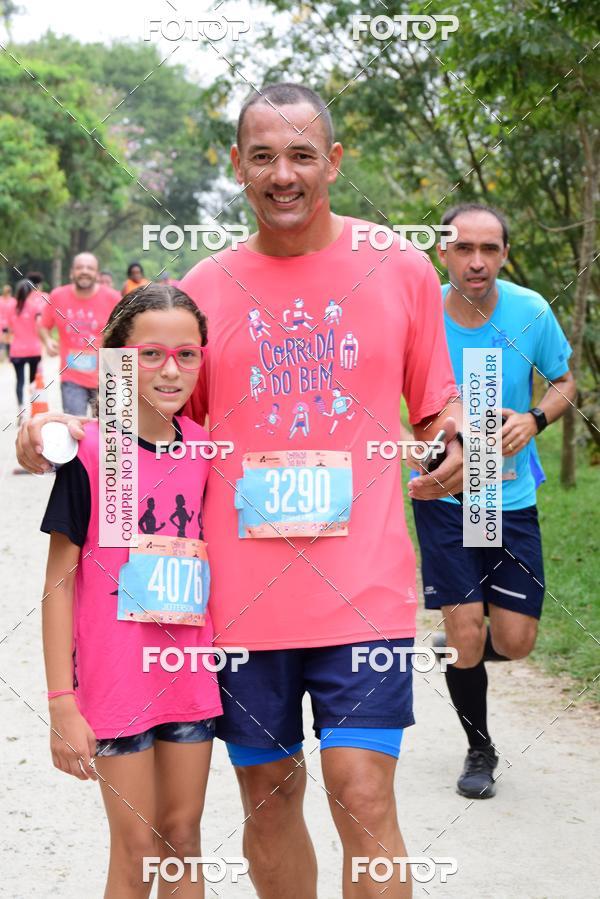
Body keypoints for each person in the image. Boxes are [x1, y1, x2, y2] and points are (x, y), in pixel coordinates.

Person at [19, 83, 463, 898]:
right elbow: (135, 420)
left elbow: (439, 400)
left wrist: (457, 439)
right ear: (238, 167)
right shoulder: (208, 285)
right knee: (267, 798)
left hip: (362, 594)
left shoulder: (398, 264)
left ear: (333, 161)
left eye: (301, 155)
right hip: (237, 607)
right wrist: (52, 429)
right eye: (263, 156)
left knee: (364, 794)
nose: (283, 174)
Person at [40, 284, 221, 898]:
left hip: (188, 675)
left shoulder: (206, 450)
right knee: (138, 846)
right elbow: (58, 583)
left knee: (184, 835)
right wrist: (62, 701)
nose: (171, 370)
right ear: (117, 358)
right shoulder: (89, 453)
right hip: (116, 681)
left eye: (187, 354)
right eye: (150, 354)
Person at [412, 203, 576, 800]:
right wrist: (423, 446)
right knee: (466, 635)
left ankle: (469, 646)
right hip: (446, 494)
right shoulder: (421, 310)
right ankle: (479, 746)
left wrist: (535, 419)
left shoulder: (530, 311)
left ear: (505, 253)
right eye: (463, 248)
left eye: (489, 249)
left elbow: (564, 382)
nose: (476, 261)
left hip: (507, 493)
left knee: (515, 641)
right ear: (443, 253)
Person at [38, 252, 120, 416]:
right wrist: (47, 341)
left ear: (97, 274)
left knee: (109, 434)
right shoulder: (57, 296)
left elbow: (129, 330)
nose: (84, 271)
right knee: (75, 428)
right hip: (72, 378)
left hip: (108, 377)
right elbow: (43, 325)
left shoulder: (113, 298)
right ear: (71, 273)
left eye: (90, 268)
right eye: (79, 267)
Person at [7, 279, 44, 410]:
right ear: (31, 292)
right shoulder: (35, 307)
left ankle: (21, 409)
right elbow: (40, 326)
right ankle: (34, 407)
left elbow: (8, 328)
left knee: (20, 381)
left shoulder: (11, 307)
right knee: (33, 381)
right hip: (34, 350)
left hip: (17, 350)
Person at [0, 283, 14, 360]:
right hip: (2, 323)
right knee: (2, 340)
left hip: (9, 323)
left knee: (9, 340)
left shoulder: (13, 301)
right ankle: (3, 357)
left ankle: (9, 356)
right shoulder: (1, 300)